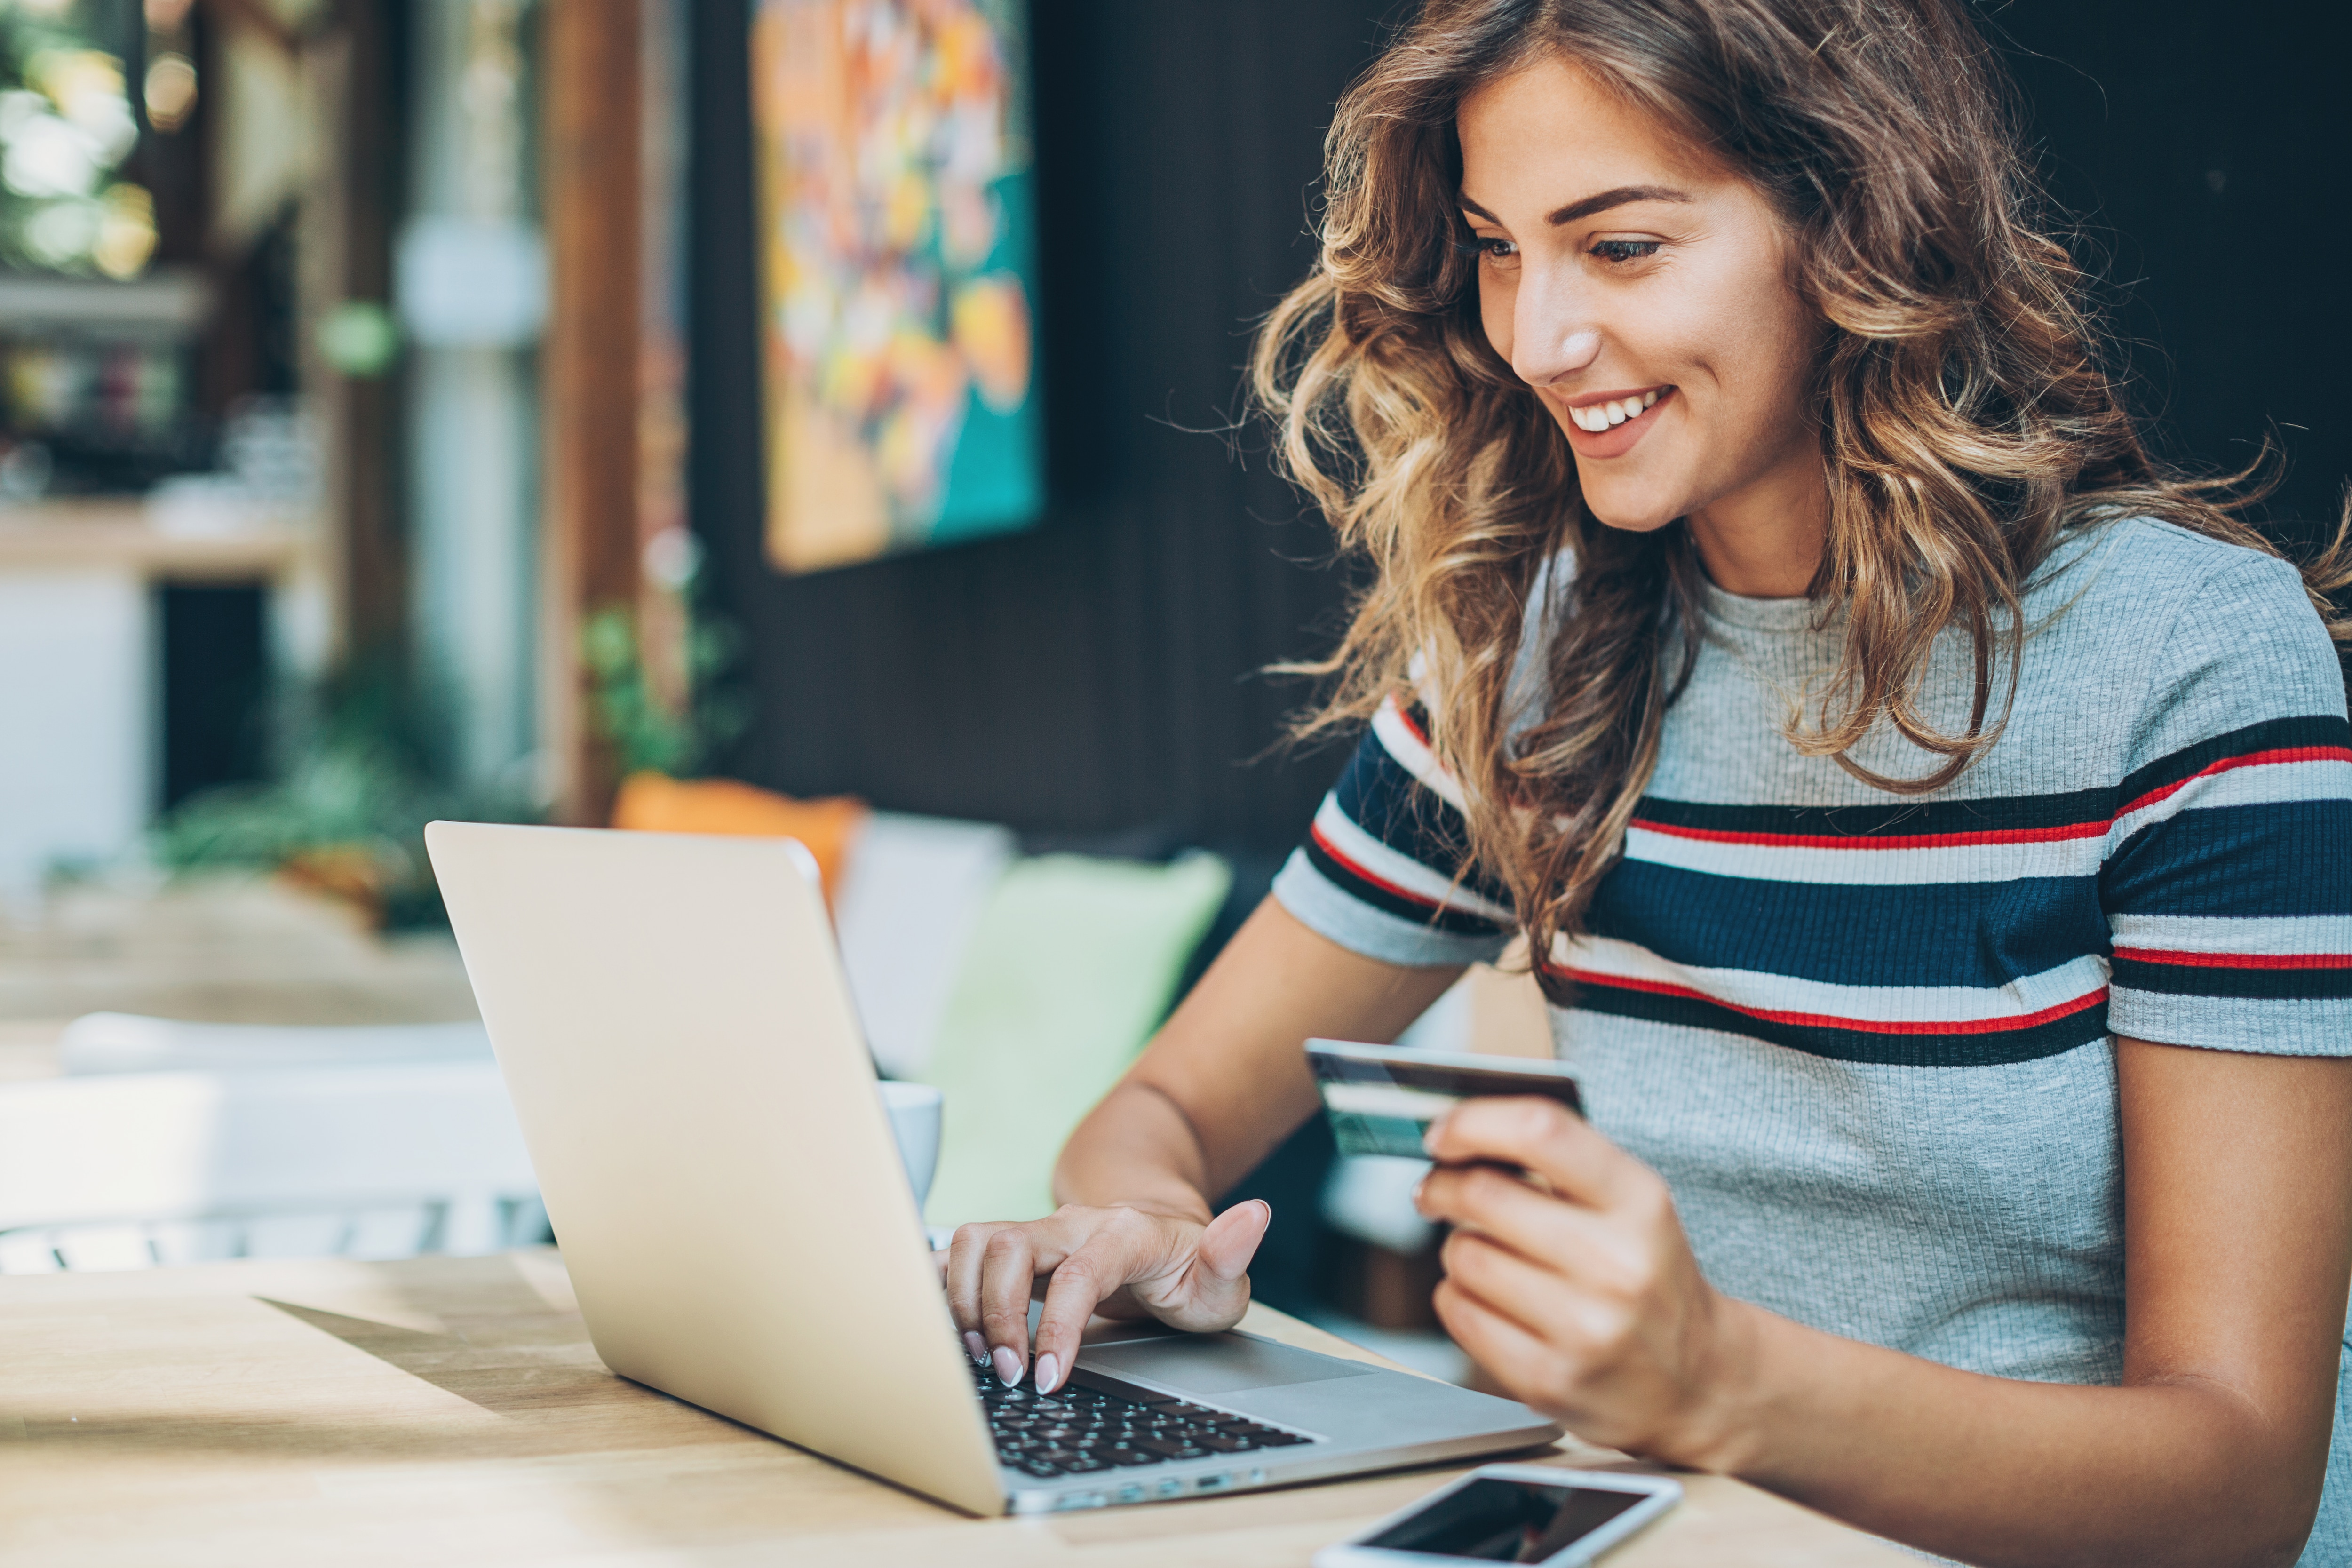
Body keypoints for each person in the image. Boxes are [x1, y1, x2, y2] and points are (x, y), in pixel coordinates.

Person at [937, 1, 2352, 1562]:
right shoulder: (1534, 665)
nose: (1536, 337)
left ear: (1850, 222)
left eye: (1617, 248)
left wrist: (1721, 1382)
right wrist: (1146, 1222)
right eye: (1497, 246)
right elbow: (1164, 1106)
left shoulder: (2189, 660)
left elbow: (2242, 1487)